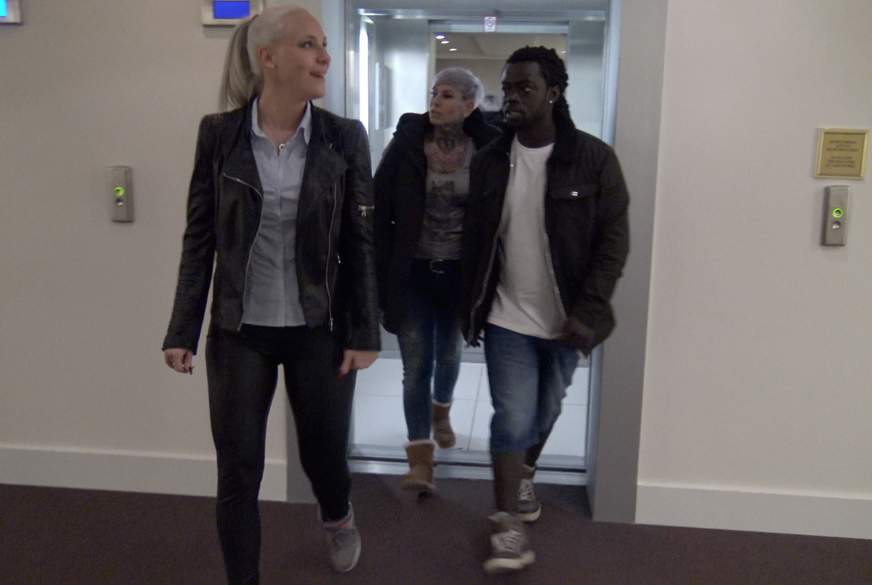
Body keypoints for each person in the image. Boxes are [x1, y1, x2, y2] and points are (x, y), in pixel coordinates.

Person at [161, 6, 380, 583]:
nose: (324, 57)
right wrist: (183, 328)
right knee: (238, 471)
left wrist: (364, 331)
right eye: (308, 45)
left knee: (322, 454)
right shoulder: (219, 135)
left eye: (323, 45)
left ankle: (337, 514)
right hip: (240, 332)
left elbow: (360, 241)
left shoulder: (343, 138)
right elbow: (200, 237)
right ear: (268, 58)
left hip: (320, 328)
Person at [461, 46, 630, 573]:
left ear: (553, 93)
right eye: (507, 88)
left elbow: (613, 243)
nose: (510, 97)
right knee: (512, 415)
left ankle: (525, 472)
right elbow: (477, 241)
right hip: (506, 316)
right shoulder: (490, 160)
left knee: (547, 408)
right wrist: (470, 306)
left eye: (524, 88)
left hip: (567, 320)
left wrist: (589, 309)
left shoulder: (594, 160)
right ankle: (507, 525)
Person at [374, 68, 499, 493]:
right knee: (416, 365)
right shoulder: (408, 143)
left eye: (447, 95)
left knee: (448, 353)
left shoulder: (486, 147)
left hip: (460, 275)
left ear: (469, 105)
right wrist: (379, 268)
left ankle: (440, 410)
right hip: (413, 272)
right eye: (434, 93)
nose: (436, 101)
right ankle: (420, 460)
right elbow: (378, 202)